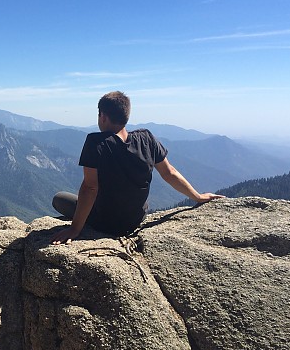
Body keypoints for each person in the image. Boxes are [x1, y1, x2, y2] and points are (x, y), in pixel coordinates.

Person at [51, 91, 223, 245]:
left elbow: (90, 187)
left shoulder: (96, 142)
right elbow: (170, 173)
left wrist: (75, 229)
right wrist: (198, 196)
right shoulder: (146, 138)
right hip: (135, 220)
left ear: (102, 116)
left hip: (105, 223)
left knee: (59, 198)